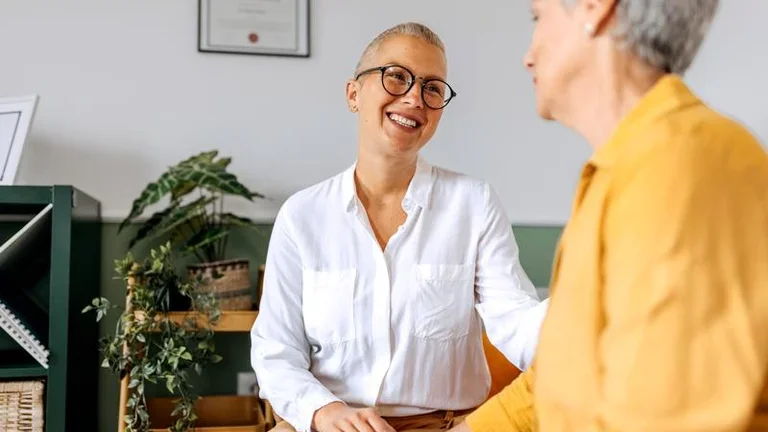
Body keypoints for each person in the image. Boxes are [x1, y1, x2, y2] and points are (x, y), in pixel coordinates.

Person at [454, 0, 768, 431]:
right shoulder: (624, 169)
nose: (528, 55)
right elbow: (562, 377)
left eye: (537, 17)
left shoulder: (683, 163)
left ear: (595, 8)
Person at [250, 22, 549, 432]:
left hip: (443, 426)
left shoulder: (474, 204)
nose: (414, 98)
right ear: (353, 94)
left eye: (432, 88)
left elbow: (514, 319)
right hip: (330, 422)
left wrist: (581, 320)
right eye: (396, 76)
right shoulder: (302, 216)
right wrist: (325, 412)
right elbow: (275, 351)